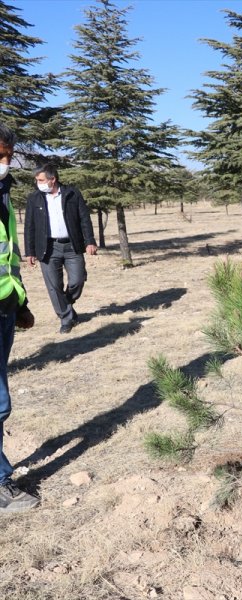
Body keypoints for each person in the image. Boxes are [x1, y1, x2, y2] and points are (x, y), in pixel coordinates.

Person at [0, 123, 38, 513]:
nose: (5, 163)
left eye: (8, 155)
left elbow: (7, 256)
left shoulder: (5, 194)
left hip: (6, 306)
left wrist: (20, 302)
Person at [23, 163, 97, 334]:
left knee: (77, 281)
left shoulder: (72, 193)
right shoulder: (34, 198)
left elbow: (84, 219)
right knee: (54, 286)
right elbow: (29, 226)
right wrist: (30, 251)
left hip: (72, 246)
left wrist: (90, 241)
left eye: (41, 180)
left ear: (52, 179)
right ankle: (66, 318)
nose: (38, 183)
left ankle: (67, 304)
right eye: (36, 180)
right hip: (47, 248)